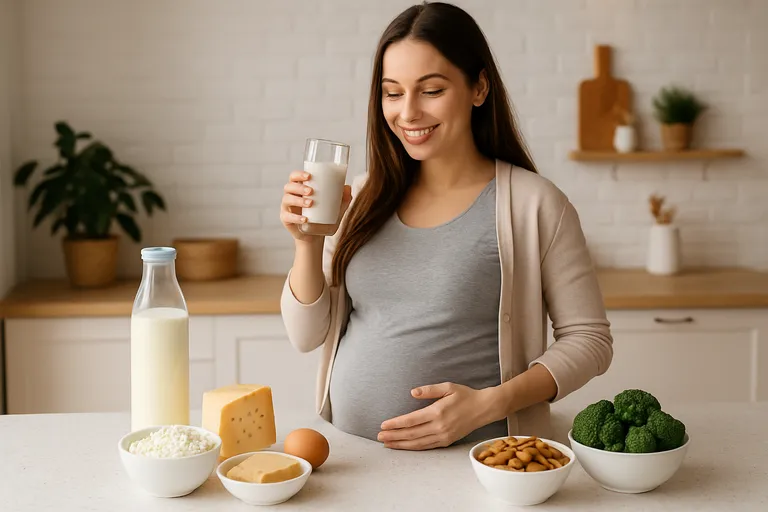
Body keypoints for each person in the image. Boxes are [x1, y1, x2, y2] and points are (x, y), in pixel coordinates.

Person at [279, 1, 613, 451]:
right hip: (352, 452)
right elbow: (305, 337)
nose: (408, 113)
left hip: (480, 462)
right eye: (392, 93)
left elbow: (590, 340)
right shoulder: (360, 196)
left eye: (431, 90)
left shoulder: (534, 204)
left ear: (479, 88)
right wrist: (306, 243)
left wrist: (490, 404)